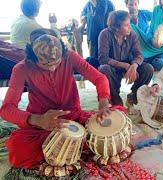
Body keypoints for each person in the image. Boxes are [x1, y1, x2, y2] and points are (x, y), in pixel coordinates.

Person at [0, 29, 112, 170]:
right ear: (32, 57)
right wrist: (38, 120)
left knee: (111, 121)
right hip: (41, 124)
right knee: (18, 148)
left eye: (57, 63)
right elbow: (6, 109)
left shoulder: (69, 56)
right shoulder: (21, 68)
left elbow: (99, 78)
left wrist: (103, 103)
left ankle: (69, 151)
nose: (52, 68)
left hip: (74, 118)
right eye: (46, 65)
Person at [98, 10, 154, 106]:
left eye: (129, 24)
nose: (130, 27)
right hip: (112, 66)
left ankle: (134, 95)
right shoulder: (104, 34)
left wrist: (134, 66)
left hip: (129, 63)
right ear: (116, 28)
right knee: (104, 69)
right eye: (126, 25)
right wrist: (124, 65)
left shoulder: (131, 34)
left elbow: (139, 54)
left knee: (148, 68)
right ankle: (115, 98)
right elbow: (103, 58)